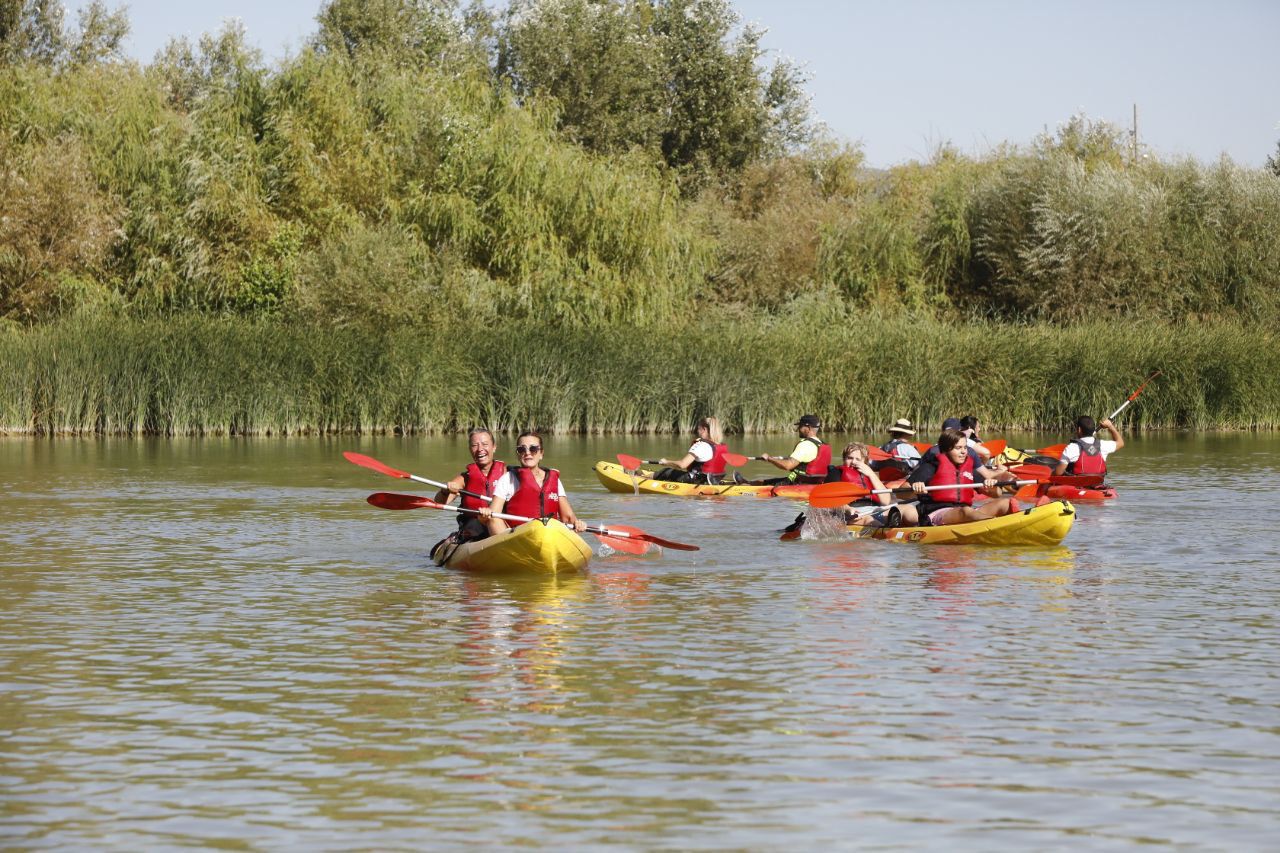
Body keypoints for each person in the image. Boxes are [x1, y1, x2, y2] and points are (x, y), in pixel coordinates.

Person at [907, 428, 1021, 526]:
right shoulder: (930, 467)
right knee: (965, 511)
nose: (964, 452)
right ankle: (995, 526)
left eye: (965, 447)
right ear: (946, 449)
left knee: (1006, 503)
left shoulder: (969, 468)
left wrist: (991, 486)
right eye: (958, 448)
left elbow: (997, 494)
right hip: (938, 514)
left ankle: (1019, 524)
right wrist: (915, 488)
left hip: (966, 512)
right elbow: (901, 493)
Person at [482, 431, 587, 536]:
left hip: (549, 536)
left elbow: (568, 518)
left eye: (533, 449)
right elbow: (493, 515)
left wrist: (578, 524)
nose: (527, 453)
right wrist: (485, 514)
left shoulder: (554, 480)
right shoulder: (508, 479)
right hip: (517, 537)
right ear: (518, 454)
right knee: (494, 519)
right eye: (522, 449)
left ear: (541, 453)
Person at [432, 427, 506, 543]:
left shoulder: (508, 474)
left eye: (485, 444)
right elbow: (439, 503)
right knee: (477, 525)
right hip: (474, 530)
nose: (480, 449)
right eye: (474, 445)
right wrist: (445, 490)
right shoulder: (464, 478)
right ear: (470, 449)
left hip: (501, 525)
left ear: (494, 447)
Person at [826, 442, 919, 527]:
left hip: (875, 510)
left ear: (865, 461)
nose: (853, 462)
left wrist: (871, 474)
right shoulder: (836, 472)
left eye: (858, 459)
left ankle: (920, 527)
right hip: (853, 513)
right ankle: (886, 532)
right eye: (850, 458)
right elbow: (831, 501)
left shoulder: (870, 475)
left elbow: (885, 501)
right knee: (869, 520)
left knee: (908, 509)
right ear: (844, 459)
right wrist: (847, 509)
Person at [740, 414, 831, 485]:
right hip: (814, 483)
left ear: (808, 428)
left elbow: (788, 466)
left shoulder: (805, 445)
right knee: (762, 481)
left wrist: (769, 459)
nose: (798, 429)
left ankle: (745, 485)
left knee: (763, 483)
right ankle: (747, 483)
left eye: (800, 426)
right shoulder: (822, 444)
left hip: (798, 484)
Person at [652, 417, 729, 484]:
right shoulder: (722, 446)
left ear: (704, 429)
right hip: (714, 480)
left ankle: (646, 478)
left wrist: (666, 462)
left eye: (698, 429)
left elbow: (682, 465)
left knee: (667, 471)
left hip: (697, 480)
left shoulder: (701, 445)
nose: (698, 432)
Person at [1054, 416, 1124, 477]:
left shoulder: (1072, 447)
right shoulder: (1103, 445)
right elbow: (1120, 443)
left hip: (1077, 484)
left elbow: (1058, 472)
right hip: (1097, 484)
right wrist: (1110, 426)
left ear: (1079, 429)